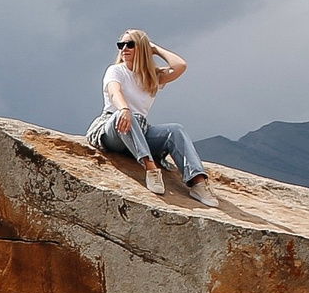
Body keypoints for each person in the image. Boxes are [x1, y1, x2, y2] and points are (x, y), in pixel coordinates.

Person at [86, 30, 218, 207]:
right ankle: (151, 169)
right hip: (113, 127)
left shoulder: (152, 76)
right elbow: (114, 91)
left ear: (141, 48)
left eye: (130, 44)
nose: (124, 48)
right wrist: (124, 109)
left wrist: (154, 48)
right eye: (121, 45)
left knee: (175, 130)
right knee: (126, 116)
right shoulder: (116, 71)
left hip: (139, 130)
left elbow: (181, 66)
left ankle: (198, 182)